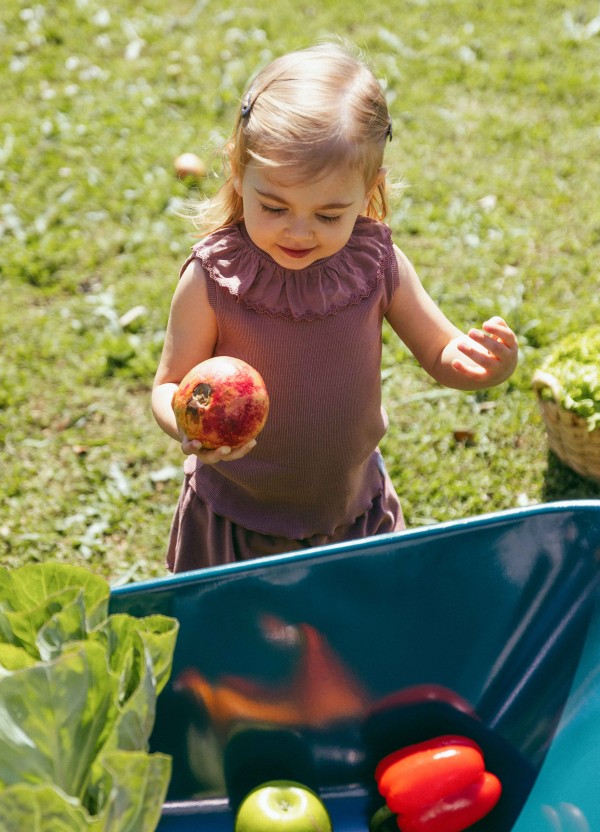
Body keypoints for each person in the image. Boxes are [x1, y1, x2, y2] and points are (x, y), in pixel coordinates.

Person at [152, 41, 518, 573]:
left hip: (351, 514)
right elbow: (168, 385)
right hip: (238, 518)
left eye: (328, 215)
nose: (299, 232)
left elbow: (441, 351)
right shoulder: (213, 279)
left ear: (369, 190)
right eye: (273, 207)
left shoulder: (375, 265)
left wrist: (482, 366)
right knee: (241, 630)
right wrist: (188, 427)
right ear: (237, 171)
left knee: (362, 624)